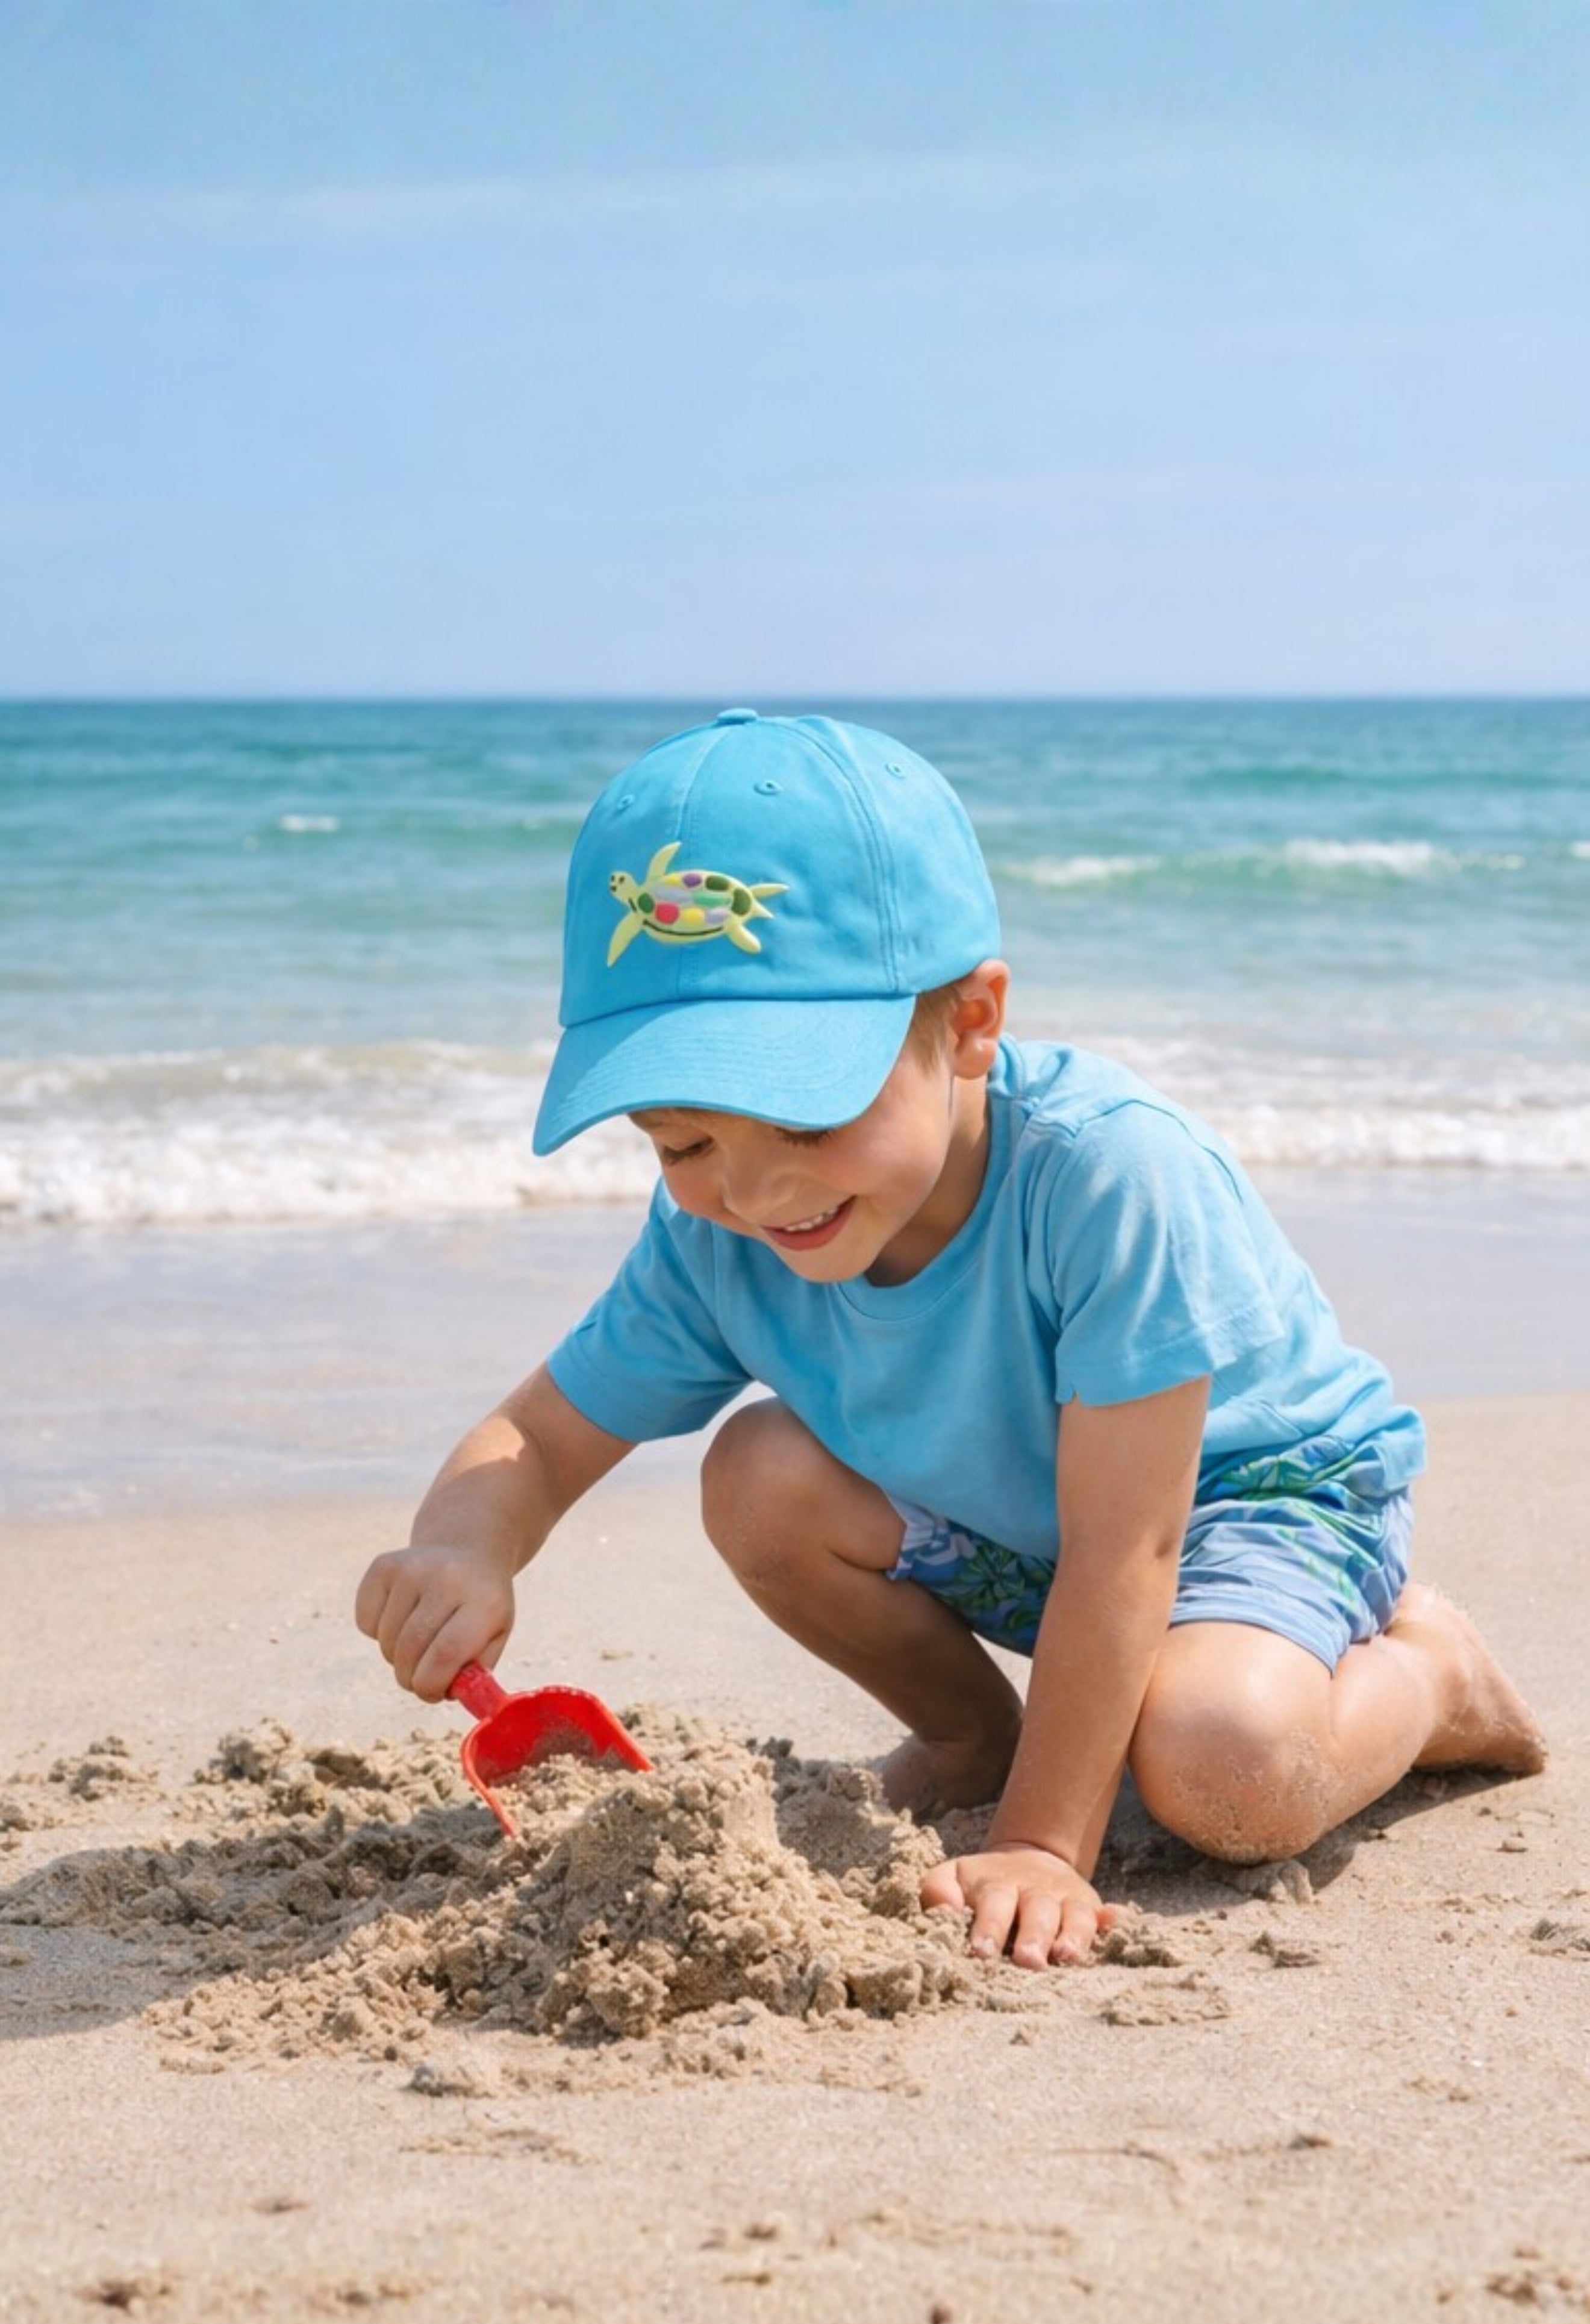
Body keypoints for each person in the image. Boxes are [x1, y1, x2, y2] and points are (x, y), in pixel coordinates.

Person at [357, 708, 1545, 1970]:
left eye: (807, 1117)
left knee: (1221, 1773)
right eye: (684, 1142)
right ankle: (974, 1735)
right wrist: (462, 1547)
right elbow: (539, 1435)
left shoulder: (1105, 1176)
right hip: (1027, 1531)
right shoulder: (716, 1238)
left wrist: (1043, 1839)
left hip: (1245, 1504)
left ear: (971, 1022)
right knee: (757, 1472)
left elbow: (1129, 1544)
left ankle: (1432, 1674)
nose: (756, 1192)